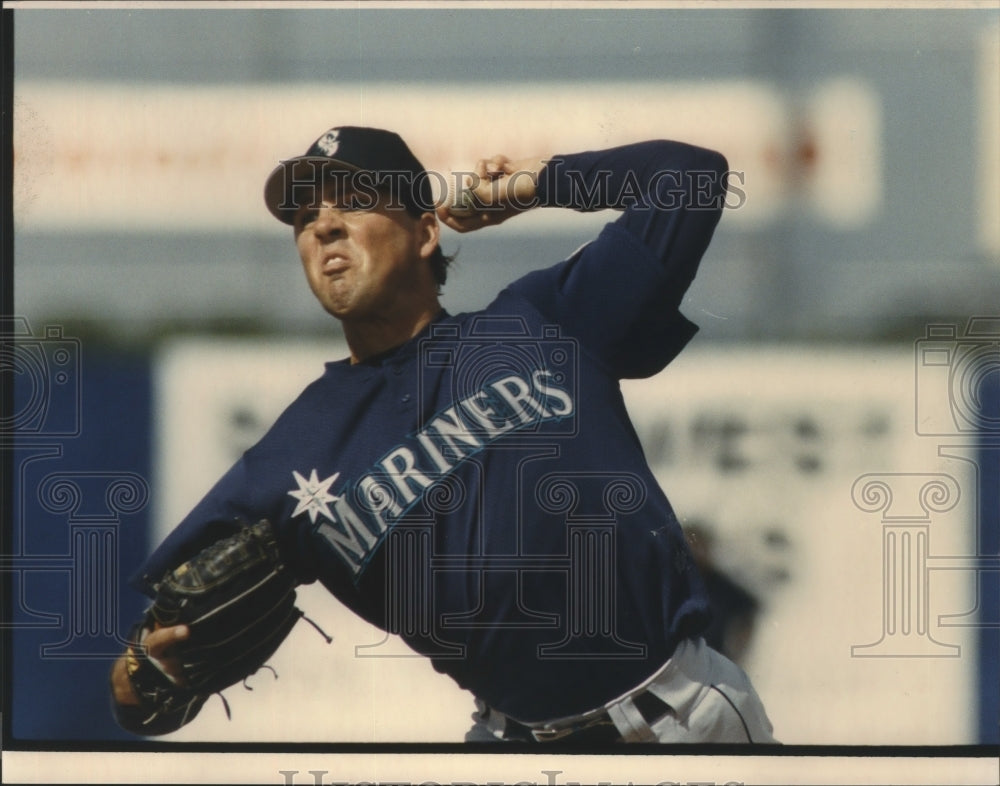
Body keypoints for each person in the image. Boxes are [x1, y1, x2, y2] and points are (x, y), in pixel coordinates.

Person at [109, 125, 777, 744]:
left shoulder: (543, 322)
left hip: (679, 721)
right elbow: (146, 683)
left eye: (353, 201)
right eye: (305, 217)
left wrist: (537, 183)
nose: (324, 226)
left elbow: (690, 177)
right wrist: (146, 679)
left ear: (425, 231)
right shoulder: (292, 452)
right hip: (510, 745)